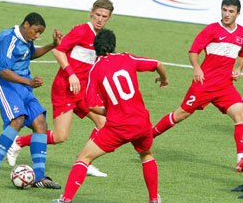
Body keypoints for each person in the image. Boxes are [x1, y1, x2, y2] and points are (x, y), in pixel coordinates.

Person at [50, 29, 168, 203]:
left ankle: (66, 199)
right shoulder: (127, 58)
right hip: (141, 123)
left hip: (117, 127)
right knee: (147, 155)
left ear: (95, 48)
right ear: (113, 46)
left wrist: (109, 111)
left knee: (84, 157)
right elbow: (157, 63)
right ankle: (153, 199)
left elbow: (91, 105)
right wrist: (163, 78)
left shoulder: (95, 70)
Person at [6, 0, 114, 177]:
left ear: (110, 18)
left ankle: (84, 161)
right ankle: (19, 142)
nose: (100, 19)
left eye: (104, 16)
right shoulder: (81, 31)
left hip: (84, 91)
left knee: (104, 123)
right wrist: (71, 73)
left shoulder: (102, 37)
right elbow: (58, 50)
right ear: (91, 13)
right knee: (60, 137)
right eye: (97, 15)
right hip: (65, 88)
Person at [153, 0, 243, 171]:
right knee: (180, 115)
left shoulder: (241, 34)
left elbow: (241, 53)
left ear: (238, 14)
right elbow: (193, 51)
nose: (226, 14)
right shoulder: (212, 30)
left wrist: (238, 68)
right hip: (204, 84)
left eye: (231, 11)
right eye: (224, 10)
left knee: (240, 115)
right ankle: (148, 137)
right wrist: (197, 68)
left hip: (225, 86)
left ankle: (240, 159)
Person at [0, 12, 62, 189]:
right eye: (36, 31)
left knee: (40, 122)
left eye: (40, 33)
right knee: (17, 119)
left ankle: (39, 178)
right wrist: (29, 81)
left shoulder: (27, 40)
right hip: (2, 83)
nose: (37, 35)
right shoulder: (8, 38)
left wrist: (52, 45)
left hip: (22, 86)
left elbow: (30, 54)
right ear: (26, 24)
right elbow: (3, 70)